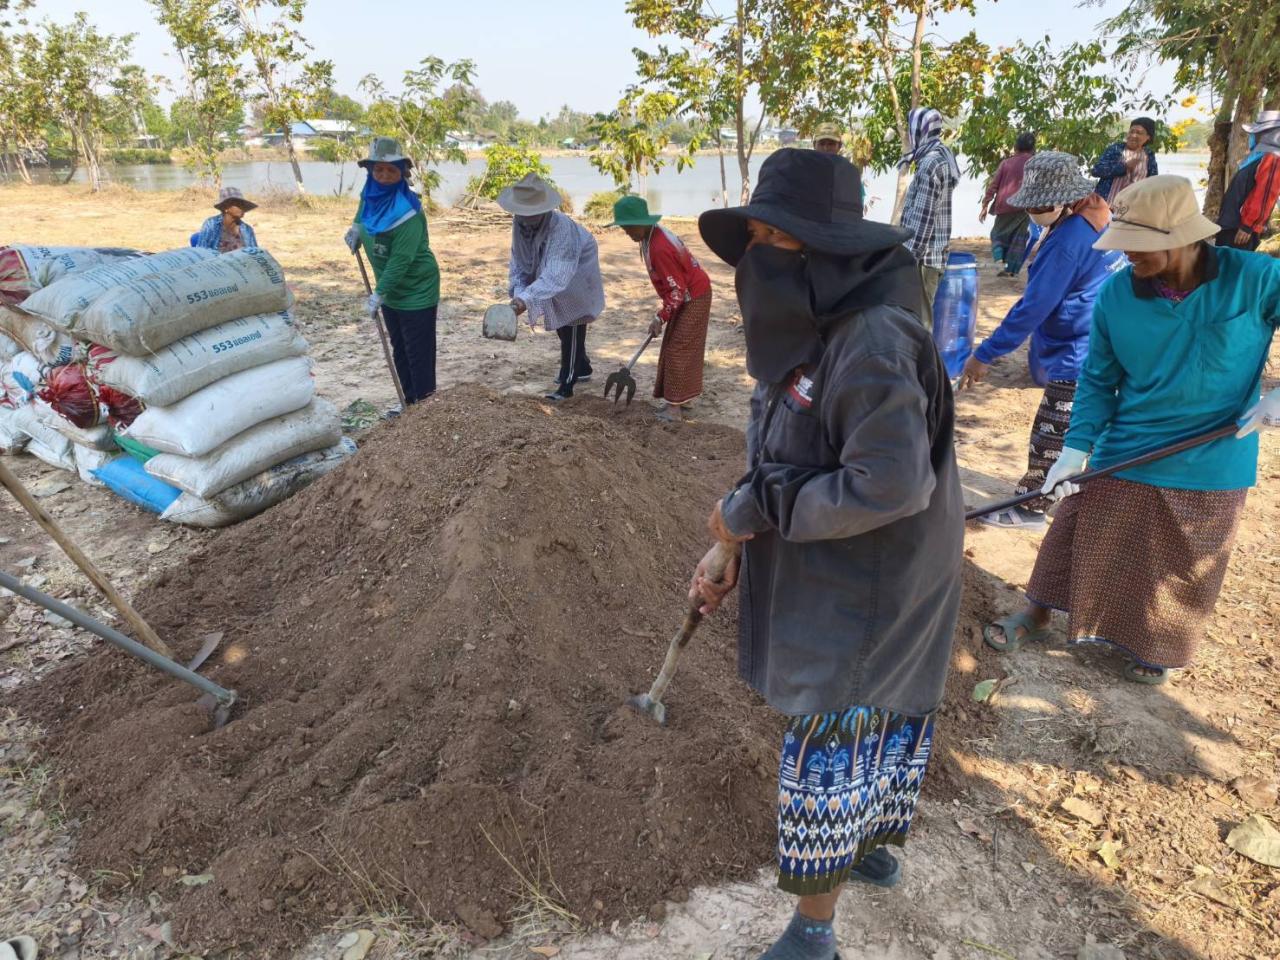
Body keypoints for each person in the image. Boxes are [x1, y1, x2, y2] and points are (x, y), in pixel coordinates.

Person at [690, 148, 963, 960]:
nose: (756, 259)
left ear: (826, 251)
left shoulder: (871, 339)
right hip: (838, 562)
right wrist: (733, 539)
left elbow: (887, 484)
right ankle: (867, 848)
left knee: (836, 733)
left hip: (876, 577)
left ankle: (814, 931)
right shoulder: (810, 325)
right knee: (867, 717)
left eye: (773, 239)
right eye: (754, 239)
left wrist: (758, 508)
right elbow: (783, 447)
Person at [982, 175, 1280, 685]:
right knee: (1076, 527)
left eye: (1139, 245)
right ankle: (1038, 611)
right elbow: (1099, 380)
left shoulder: (1255, 277)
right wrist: (1074, 449)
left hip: (1215, 452)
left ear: (1182, 239)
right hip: (1130, 440)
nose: (1127, 255)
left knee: (1182, 561)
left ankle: (1154, 645)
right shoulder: (1117, 295)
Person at [957, 152, 1127, 529]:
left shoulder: (1069, 240)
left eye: (1037, 206)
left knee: (1052, 432)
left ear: (1062, 200)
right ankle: (1083, 503)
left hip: (1081, 350)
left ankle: (1031, 509)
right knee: (1092, 431)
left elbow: (1033, 307)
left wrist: (985, 354)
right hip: (1106, 340)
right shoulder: (1098, 213)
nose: (1032, 212)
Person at [343, 137, 440, 406]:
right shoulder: (370, 194)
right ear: (371, 171)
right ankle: (409, 403)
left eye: (391, 170)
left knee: (418, 352)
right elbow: (362, 211)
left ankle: (425, 407)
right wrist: (355, 230)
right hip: (390, 292)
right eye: (379, 169)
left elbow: (401, 260)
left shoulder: (407, 212)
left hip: (416, 290)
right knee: (400, 349)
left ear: (401, 172)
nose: (384, 175)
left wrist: (379, 293)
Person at [499, 173, 605, 401]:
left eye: (531, 212)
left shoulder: (561, 229)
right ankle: (582, 366)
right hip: (550, 262)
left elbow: (557, 274)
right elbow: (519, 262)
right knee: (559, 318)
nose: (526, 217)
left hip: (578, 262)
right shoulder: (520, 224)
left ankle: (567, 384)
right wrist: (518, 294)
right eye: (522, 212)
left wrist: (526, 299)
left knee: (573, 319)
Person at [609, 195, 712, 422]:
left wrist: (660, 317)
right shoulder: (650, 236)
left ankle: (674, 409)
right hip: (687, 295)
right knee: (674, 345)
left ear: (642, 222)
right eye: (624, 228)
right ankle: (681, 399)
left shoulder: (659, 247)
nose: (626, 233)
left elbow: (677, 290)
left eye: (628, 227)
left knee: (678, 349)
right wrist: (664, 314)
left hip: (694, 296)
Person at [898, 107, 960, 323]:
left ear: (918, 131)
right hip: (933, 256)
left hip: (923, 259)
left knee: (918, 322)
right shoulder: (940, 156)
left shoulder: (929, 164)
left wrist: (906, 259)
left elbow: (922, 221)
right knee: (920, 320)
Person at [1215, 109, 1280, 251]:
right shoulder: (1259, 156)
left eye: (1258, 133)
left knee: (1235, 263)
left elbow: (1265, 194)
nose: (1253, 136)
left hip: (1240, 230)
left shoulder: (1273, 158)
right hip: (1232, 225)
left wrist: (1248, 226)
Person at [979, 132, 1036, 277]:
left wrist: (985, 205)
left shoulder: (1006, 163)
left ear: (1016, 146)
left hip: (1005, 205)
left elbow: (993, 185)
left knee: (997, 234)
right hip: (1025, 206)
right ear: (1032, 148)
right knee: (1018, 239)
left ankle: (999, 261)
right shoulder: (1035, 164)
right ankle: (1011, 270)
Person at [1091, 117, 1158, 206]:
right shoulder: (1116, 149)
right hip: (1106, 205)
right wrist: (1124, 166)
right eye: (1131, 131)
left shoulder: (1149, 155)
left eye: (1139, 133)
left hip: (1133, 206)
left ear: (1148, 137)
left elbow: (1153, 182)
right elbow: (1096, 170)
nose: (1133, 135)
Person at [191, 187, 259, 252]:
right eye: (238, 204)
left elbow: (255, 253)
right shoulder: (211, 224)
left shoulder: (247, 230)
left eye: (242, 205)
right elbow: (202, 251)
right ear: (226, 208)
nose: (242, 208)